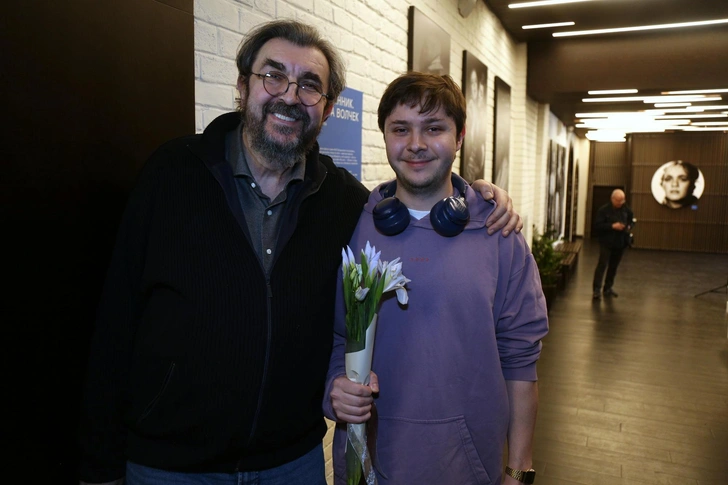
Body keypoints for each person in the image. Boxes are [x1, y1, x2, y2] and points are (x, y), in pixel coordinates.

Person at [77, 20, 522, 485]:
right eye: (273, 75)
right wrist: (99, 466)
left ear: (327, 108)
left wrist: (480, 197)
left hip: (292, 463)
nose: (290, 96)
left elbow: (415, 215)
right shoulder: (171, 173)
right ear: (243, 86)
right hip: (171, 466)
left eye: (309, 85)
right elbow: (116, 320)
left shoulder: (346, 202)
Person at [324, 73, 548, 485]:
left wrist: (519, 470)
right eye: (400, 129)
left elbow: (520, 360)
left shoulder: (498, 232)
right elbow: (338, 337)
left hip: (467, 467)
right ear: (384, 135)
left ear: (460, 136)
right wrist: (335, 388)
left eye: (434, 128)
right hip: (366, 465)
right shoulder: (354, 225)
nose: (416, 143)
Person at [592, 189, 634, 299]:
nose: (620, 203)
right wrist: (612, 226)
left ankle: (608, 288)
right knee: (602, 265)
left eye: (622, 200)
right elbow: (598, 226)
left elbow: (631, 220)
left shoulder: (626, 209)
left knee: (613, 267)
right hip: (606, 242)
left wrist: (628, 226)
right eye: (618, 201)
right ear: (612, 199)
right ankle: (596, 289)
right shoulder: (603, 210)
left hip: (620, 242)